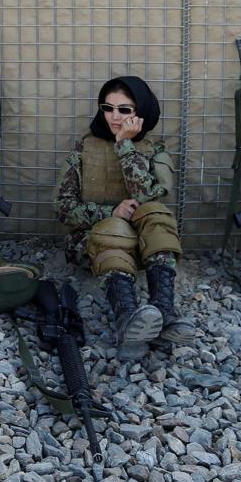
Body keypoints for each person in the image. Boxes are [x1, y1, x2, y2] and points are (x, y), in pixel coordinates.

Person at [53, 76, 194, 358]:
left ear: (140, 112)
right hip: (94, 242)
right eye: (108, 107)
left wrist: (125, 146)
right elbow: (62, 208)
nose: (114, 116)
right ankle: (126, 316)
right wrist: (110, 212)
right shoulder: (85, 148)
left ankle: (164, 310)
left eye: (124, 110)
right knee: (114, 228)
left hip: (143, 246)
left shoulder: (155, 151)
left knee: (156, 214)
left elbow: (147, 198)